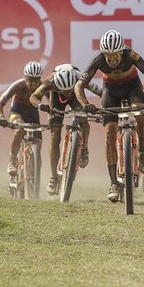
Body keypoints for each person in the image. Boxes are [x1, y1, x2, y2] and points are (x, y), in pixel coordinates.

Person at [75, 30, 144, 203]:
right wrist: (85, 103)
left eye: (115, 54)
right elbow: (79, 86)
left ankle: (143, 152)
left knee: (140, 113)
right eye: (107, 55)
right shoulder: (98, 59)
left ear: (121, 50)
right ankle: (114, 184)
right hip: (110, 91)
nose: (111, 59)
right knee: (109, 133)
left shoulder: (130, 54)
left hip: (133, 88)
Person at [30, 64, 98, 195]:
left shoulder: (79, 77)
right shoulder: (50, 82)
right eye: (64, 91)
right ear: (57, 85)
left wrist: (100, 104)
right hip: (55, 98)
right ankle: (54, 177)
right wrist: (41, 105)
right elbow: (33, 97)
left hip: (76, 95)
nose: (67, 93)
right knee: (55, 137)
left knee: (83, 119)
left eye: (69, 90)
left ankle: (85, 149)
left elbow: (98, 90)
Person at [0, 61, 45, 194]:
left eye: (36, 80)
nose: (34, 84)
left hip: (33, 115)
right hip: (16, 112)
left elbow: (52, 102)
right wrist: (1, 117)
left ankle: (35, 176)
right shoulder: (18, 86)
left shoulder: (42, 86)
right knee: (20, 129)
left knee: (39, 145)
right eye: (31, 80)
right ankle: (12, 159)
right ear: (25, 78)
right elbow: (0, 102)